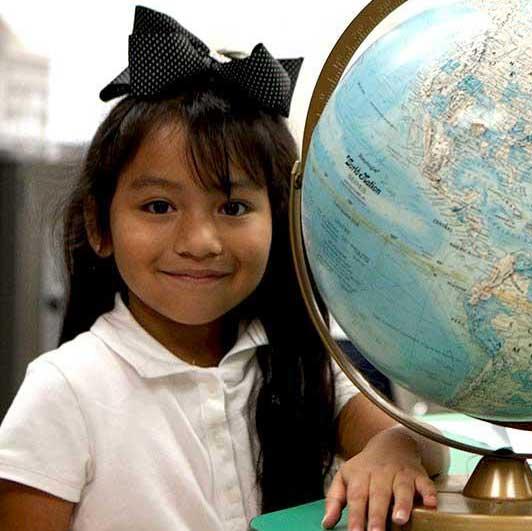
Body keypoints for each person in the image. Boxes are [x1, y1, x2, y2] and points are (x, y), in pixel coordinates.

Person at [0, 7, 447, 531]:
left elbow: (430, 452)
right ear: (100, 227)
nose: (200, 242)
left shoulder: (296, 367)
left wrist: (391, 450)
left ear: (280, 221)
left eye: (233, 208)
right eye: (159, 207)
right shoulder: (65, 391)